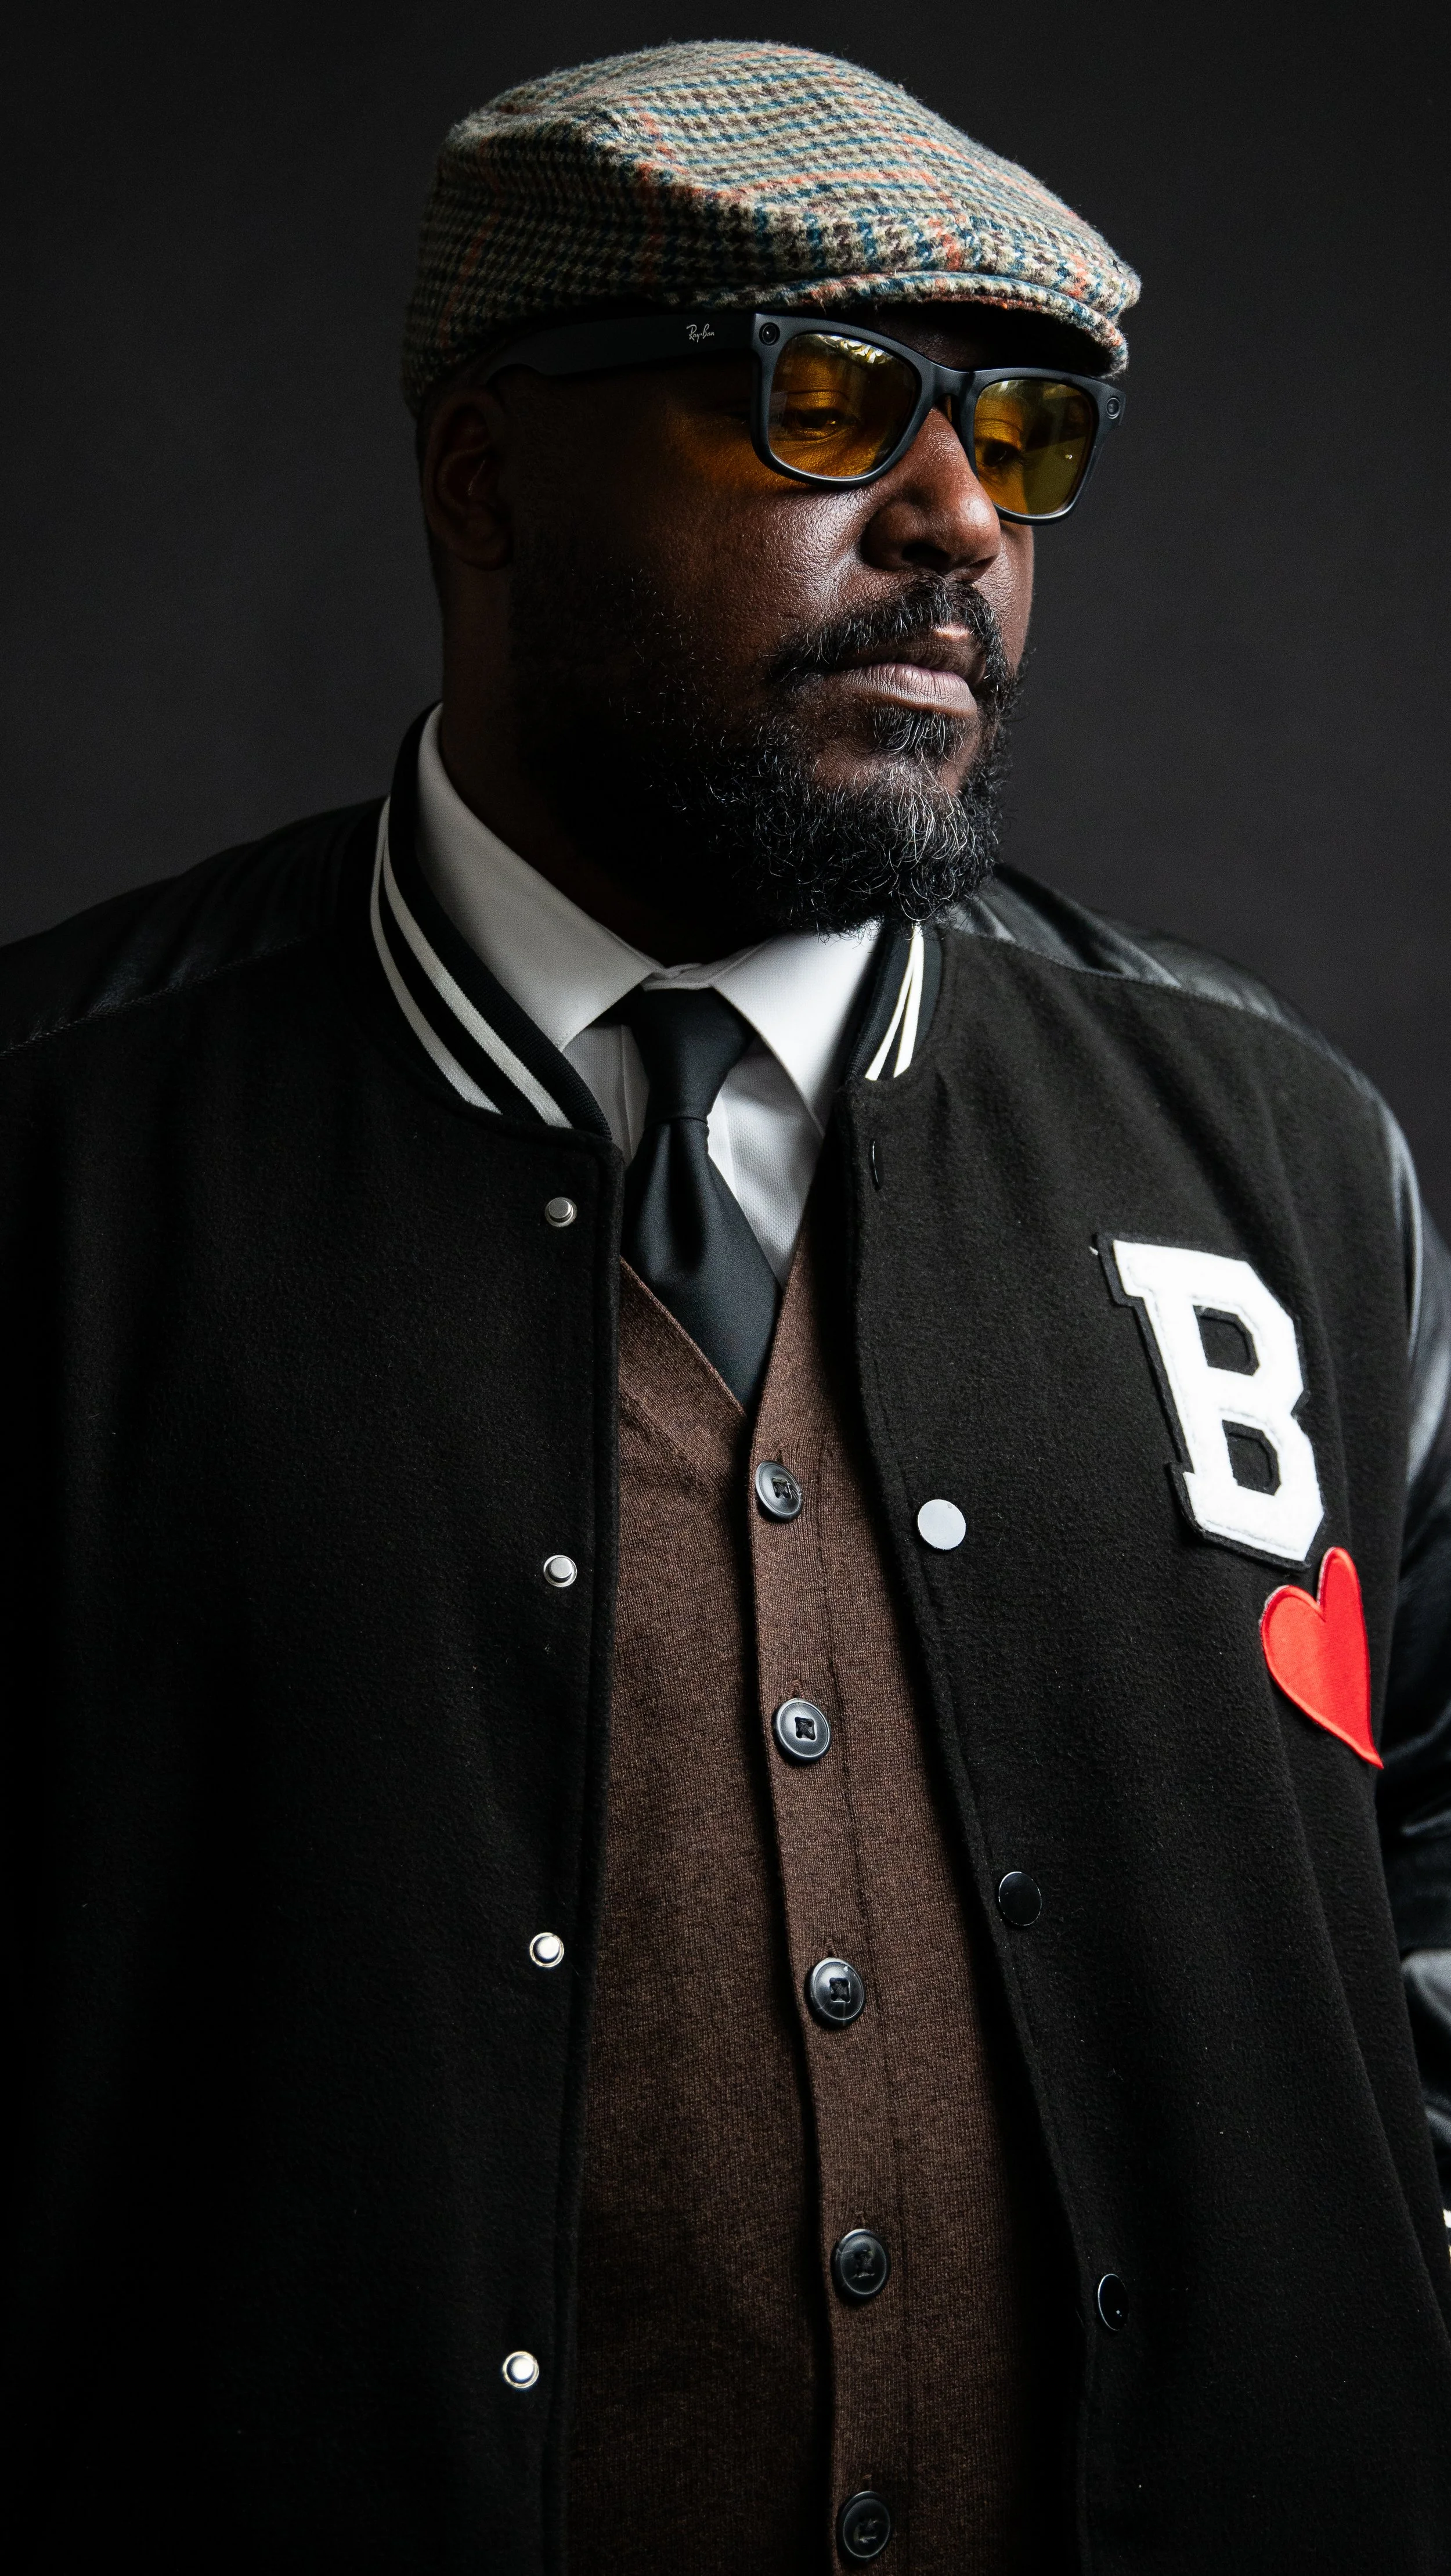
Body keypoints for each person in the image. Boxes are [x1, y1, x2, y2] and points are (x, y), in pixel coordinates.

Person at [3, 35, 1449, 2574]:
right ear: (483, 476)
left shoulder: (1281, 1149)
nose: (951, 519)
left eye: (1017, 435)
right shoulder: (54, 1146)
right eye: (818, 404)